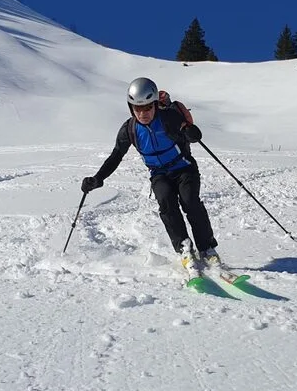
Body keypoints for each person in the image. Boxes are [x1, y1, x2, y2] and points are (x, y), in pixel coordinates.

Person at [81, 77, 219, 272]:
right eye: (138, 109)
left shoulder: (168, 118)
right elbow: (116, 156)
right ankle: (185, 250)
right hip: (159, 174)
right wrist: (98, 179)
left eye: (147, 108)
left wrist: (191, 133)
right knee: (166, 203)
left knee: (190, 202)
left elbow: (189, 131)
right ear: (131, 108)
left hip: (184, 167)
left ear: (155, 105)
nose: (143, 113)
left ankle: (207, 249)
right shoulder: (129, 129)